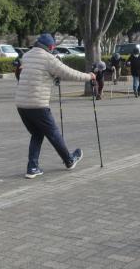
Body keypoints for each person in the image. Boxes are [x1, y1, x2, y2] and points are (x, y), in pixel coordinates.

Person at [15, 33, 96, 178]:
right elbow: (69, 73)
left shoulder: (26, 56)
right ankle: (69, 160)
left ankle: (32, 168)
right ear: (51, 47)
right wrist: (89, 76)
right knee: (53, 133)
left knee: (37, 133)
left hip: (21, 105)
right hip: (38, 104)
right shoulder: (49, 59)